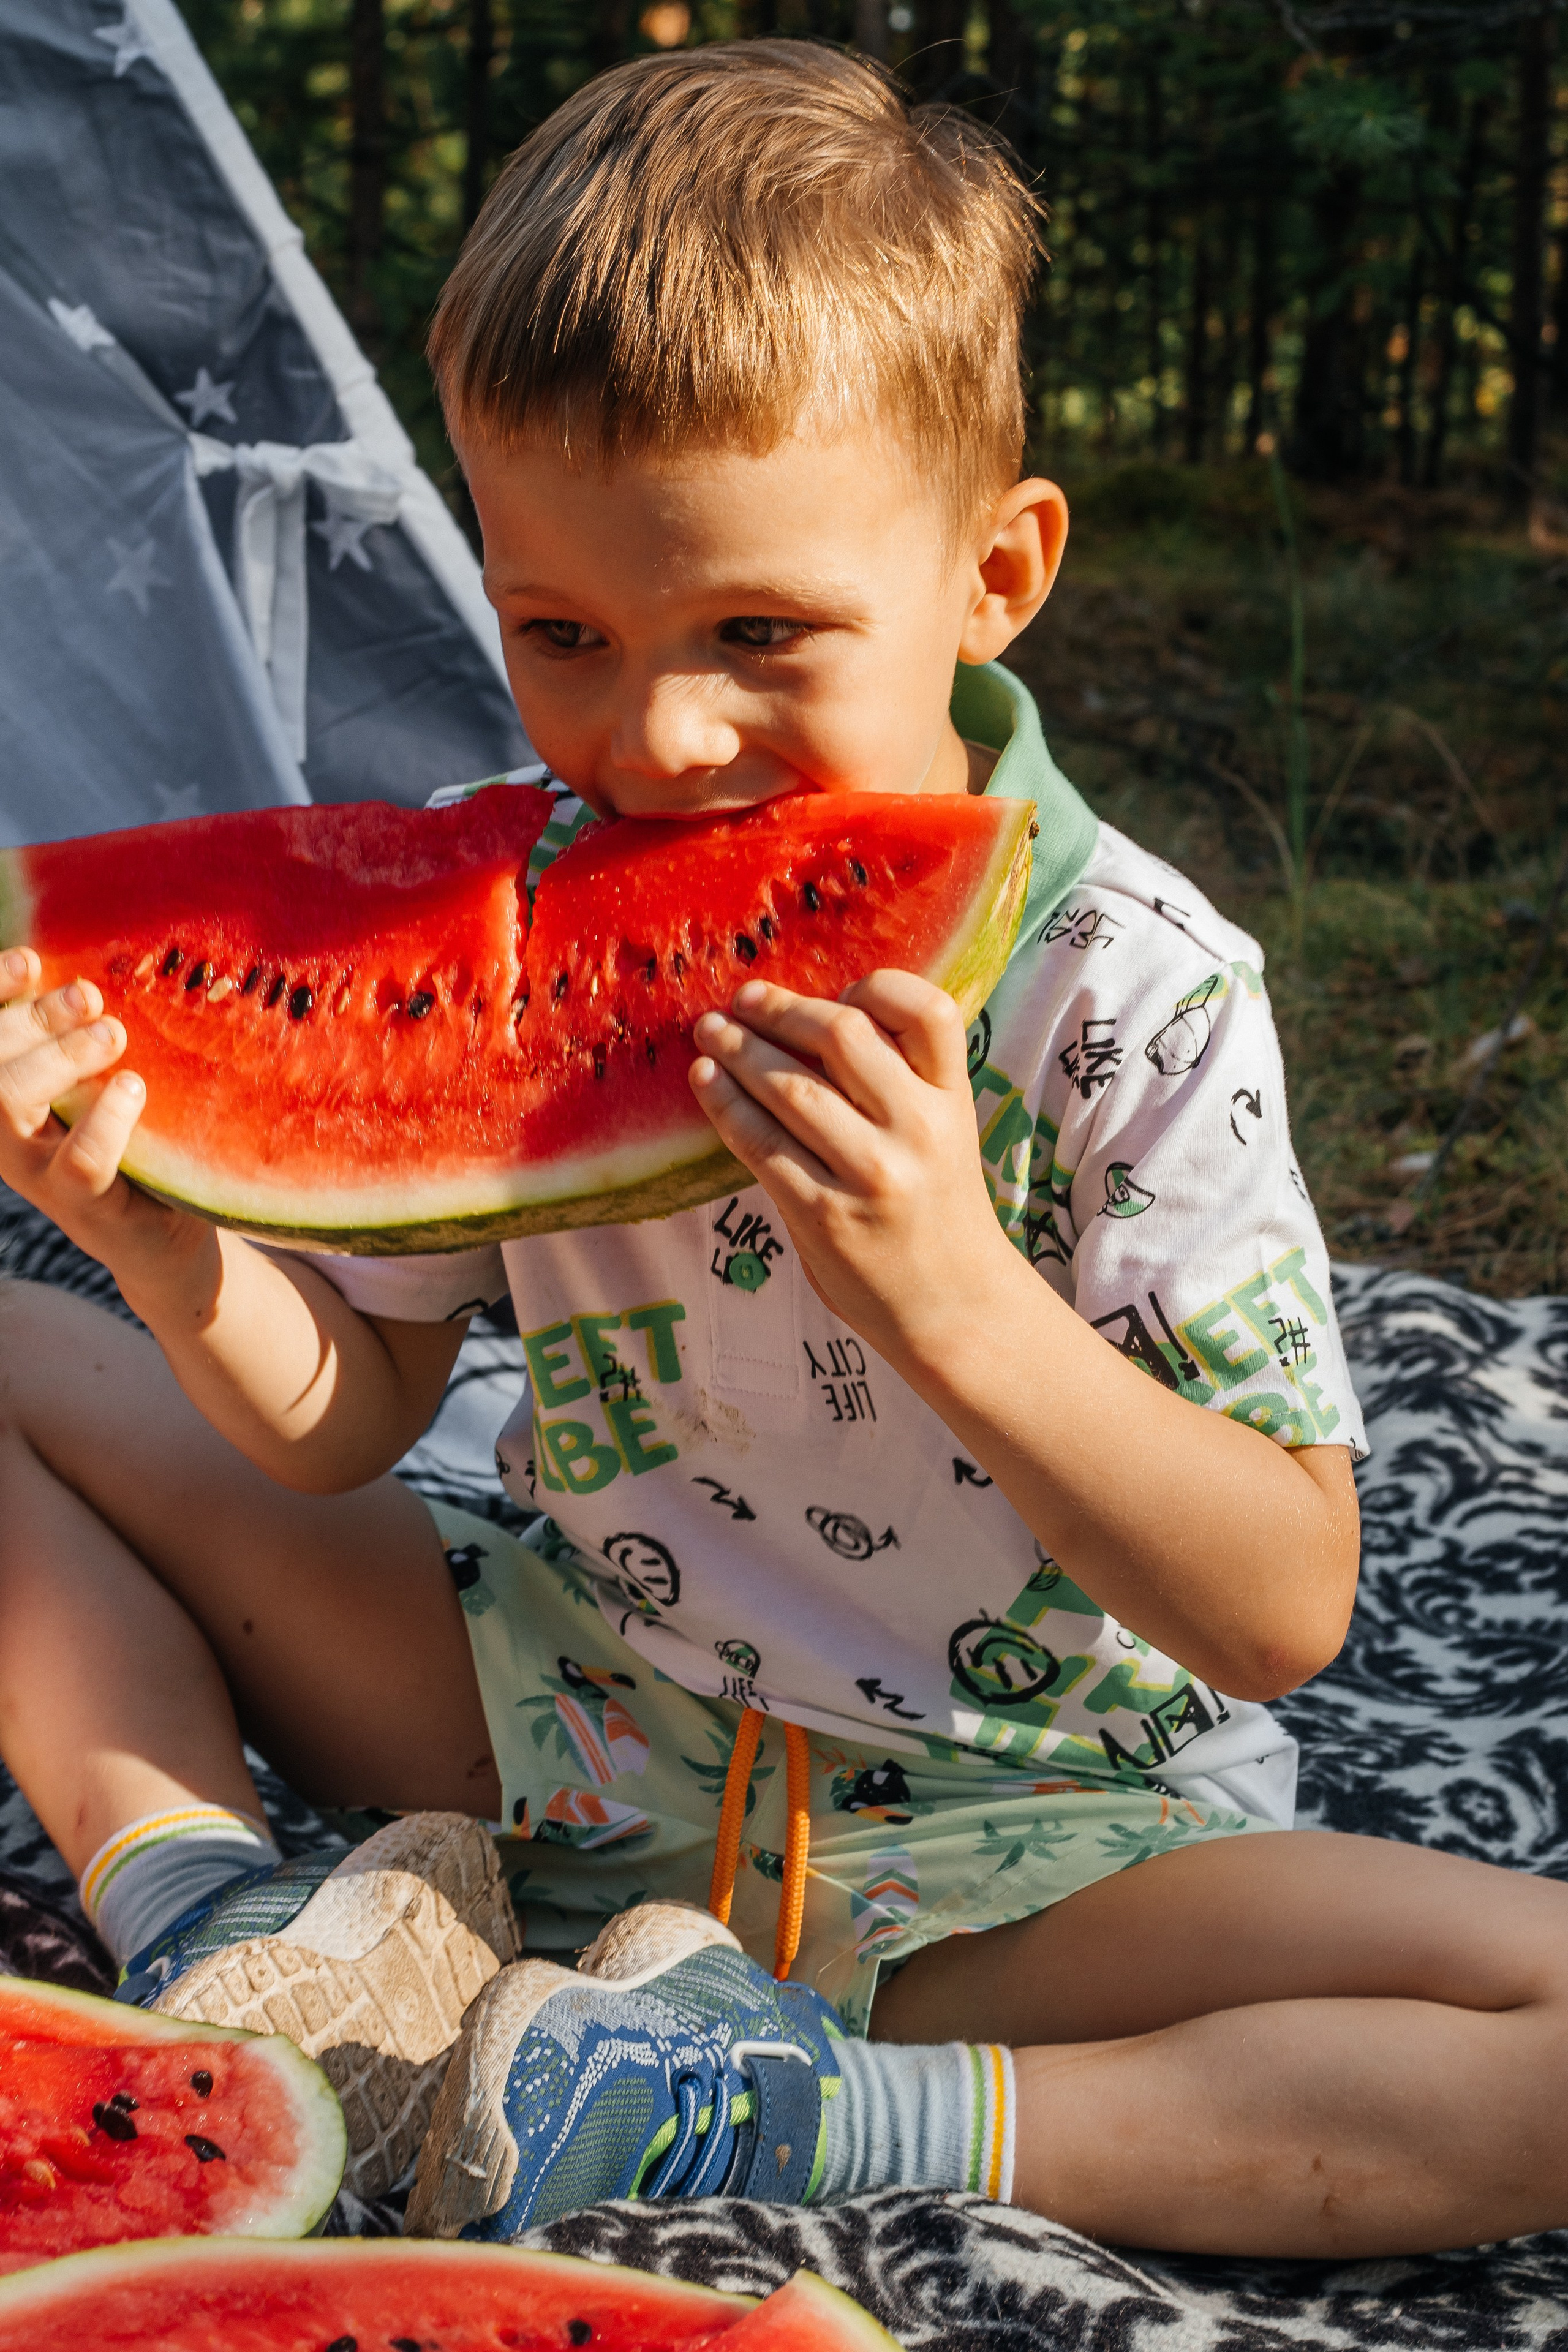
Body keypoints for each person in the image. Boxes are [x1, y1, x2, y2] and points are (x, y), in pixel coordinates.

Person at [2, 38, 1566, 2256]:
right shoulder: (519, 908)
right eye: (559, 634)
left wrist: (955, 1301)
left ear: (999, 574)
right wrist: (164, 1248)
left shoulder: (1135, 990)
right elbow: (347, 1428)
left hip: (1033, 1850)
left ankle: (803, 2122)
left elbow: (1283, 1606)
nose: (655, 739)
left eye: (759, 636)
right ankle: (224, 1930)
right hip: (563, 1728)